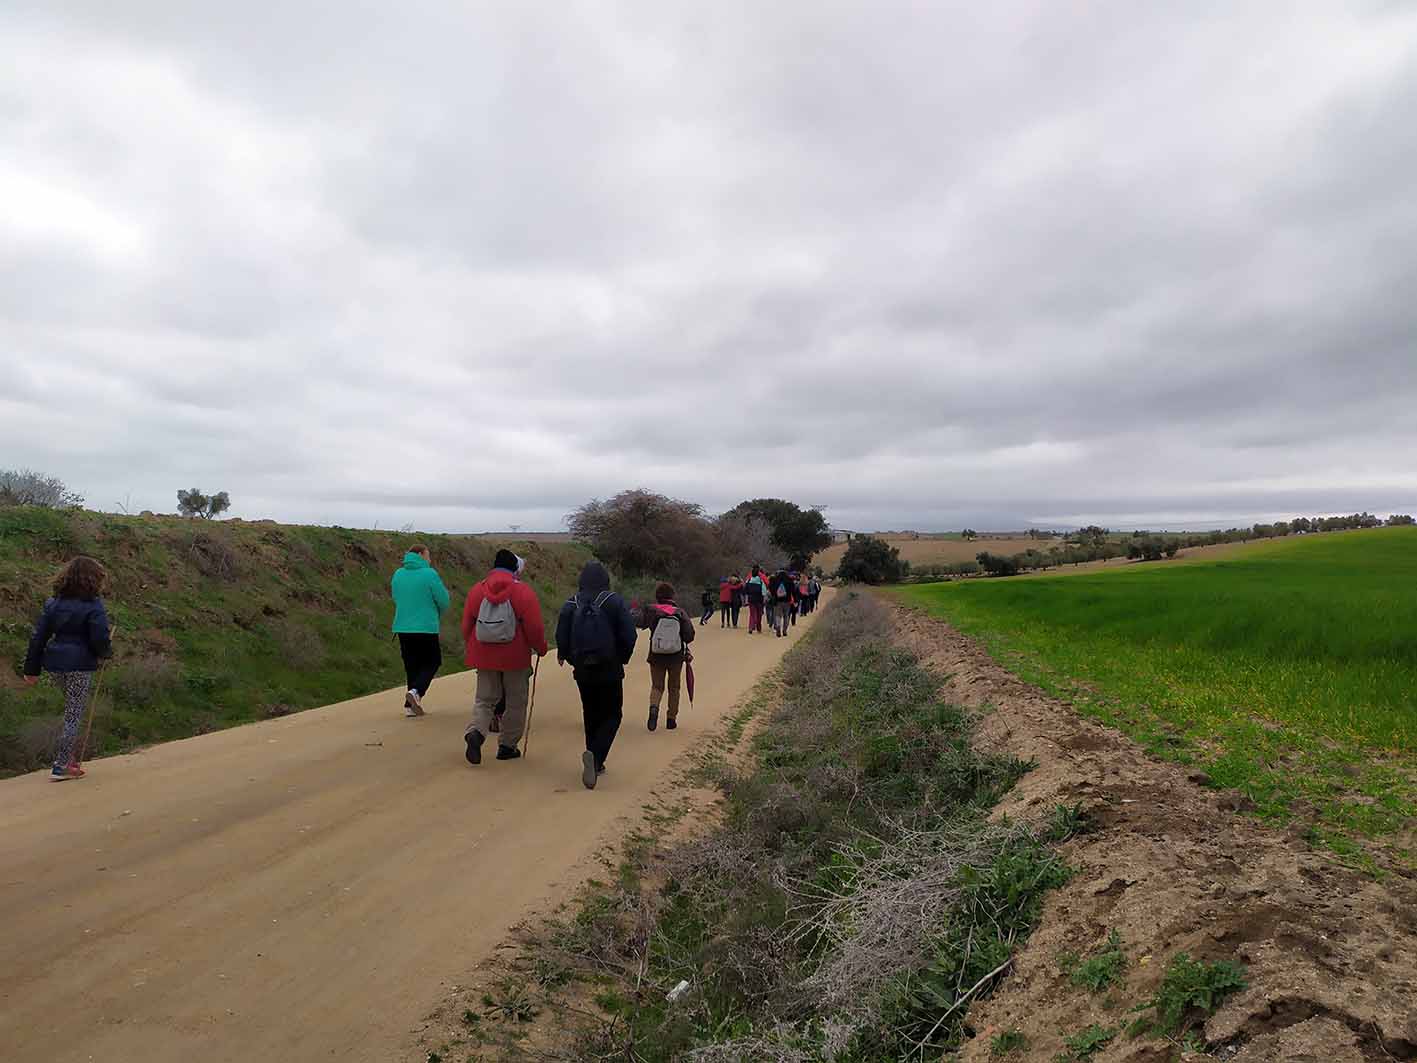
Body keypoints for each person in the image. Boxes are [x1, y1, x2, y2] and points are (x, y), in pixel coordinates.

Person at [23, 556, 114, 781]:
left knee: (72, 709)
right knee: (74, 713)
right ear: (92, 579)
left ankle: (68, 760)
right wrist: (105, 653)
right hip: (80, 665)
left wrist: (31, 670)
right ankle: (62, 765)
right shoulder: (93, 605)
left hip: (55, 665)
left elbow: (38, 638)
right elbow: (100, 637)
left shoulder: (53, 603)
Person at [460, 549, 548, 765]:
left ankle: (476, 733)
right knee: (516, 701)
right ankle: (507, 746)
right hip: (515, 657)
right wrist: (541, 648)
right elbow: (535, 627)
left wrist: (472, 646)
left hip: (484, 655)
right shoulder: (523, 592)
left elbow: (466, 626)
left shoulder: (476, 591)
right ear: (514, 568)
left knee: (484, 699)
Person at [556, 561, 637, 789]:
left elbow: (561, 636)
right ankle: (596, 757)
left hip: (582, 668)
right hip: (609, 667)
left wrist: (568, 657)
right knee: (613, 714)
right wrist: (621, 657)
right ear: (605, 580)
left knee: (590, 712)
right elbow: (629, 635)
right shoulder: (613, 601)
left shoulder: (570, 603)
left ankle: (594, 757)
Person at [390, 543, 450, 717]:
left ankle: (409, 706)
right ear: (422, 555)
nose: (430, 559)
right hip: (425, 627)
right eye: (428, 555)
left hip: (403, 626)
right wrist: (437, 611)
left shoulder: (398, 574)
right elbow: (443, 599)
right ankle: (416, 692)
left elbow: (395, 596)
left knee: (412, 665)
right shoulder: (429, 574)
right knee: (433, 661)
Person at [637, 582, 695, 733]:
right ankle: (671, 719)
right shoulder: (680, 612)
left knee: (657, 686)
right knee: (674, 687)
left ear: (657, 596)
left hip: (656, 654)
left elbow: (639, 622)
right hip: (675, 656)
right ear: (672, 596)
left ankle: (654, 709)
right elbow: (689, 635)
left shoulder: (651, 610)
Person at [769, 569, 797, 637]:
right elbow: (793, 591)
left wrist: (774, 595)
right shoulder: (789, 580)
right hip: (787, 601)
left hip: (777, 601)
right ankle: (784, 630)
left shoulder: (775, 580)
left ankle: (778, 628)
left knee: (778, 615)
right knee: (786, 616)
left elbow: (770, 588)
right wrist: (795, 600)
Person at [743, 566, 767, 633]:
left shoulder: (749, 580)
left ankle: (751, 627)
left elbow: (745, 589)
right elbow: (764, 591)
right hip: (759, 599)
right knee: (759, 614)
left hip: (751, 599)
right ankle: (758, 627)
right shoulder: (760, 580)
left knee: (752, 614)